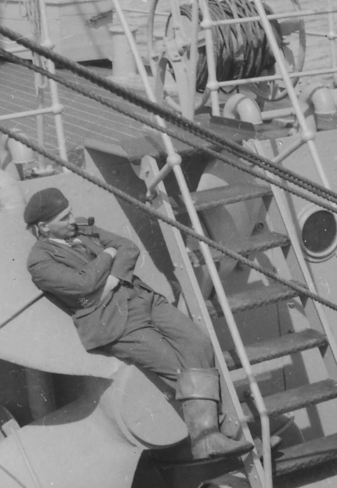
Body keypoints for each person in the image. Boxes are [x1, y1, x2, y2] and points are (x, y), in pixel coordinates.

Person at [24, 187, 246, 461]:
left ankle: (216, 436)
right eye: (64, 218)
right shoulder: (40, 261)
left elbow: (128, 247)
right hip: (115, 321)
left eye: (70, 212)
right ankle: (213, 437)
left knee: (199, 344)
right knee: (177, 368)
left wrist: (112, 280)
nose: (72, 220)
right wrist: (108, 254)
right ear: (44, 227)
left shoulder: (81, 228)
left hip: (144, 299)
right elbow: (83, 284)